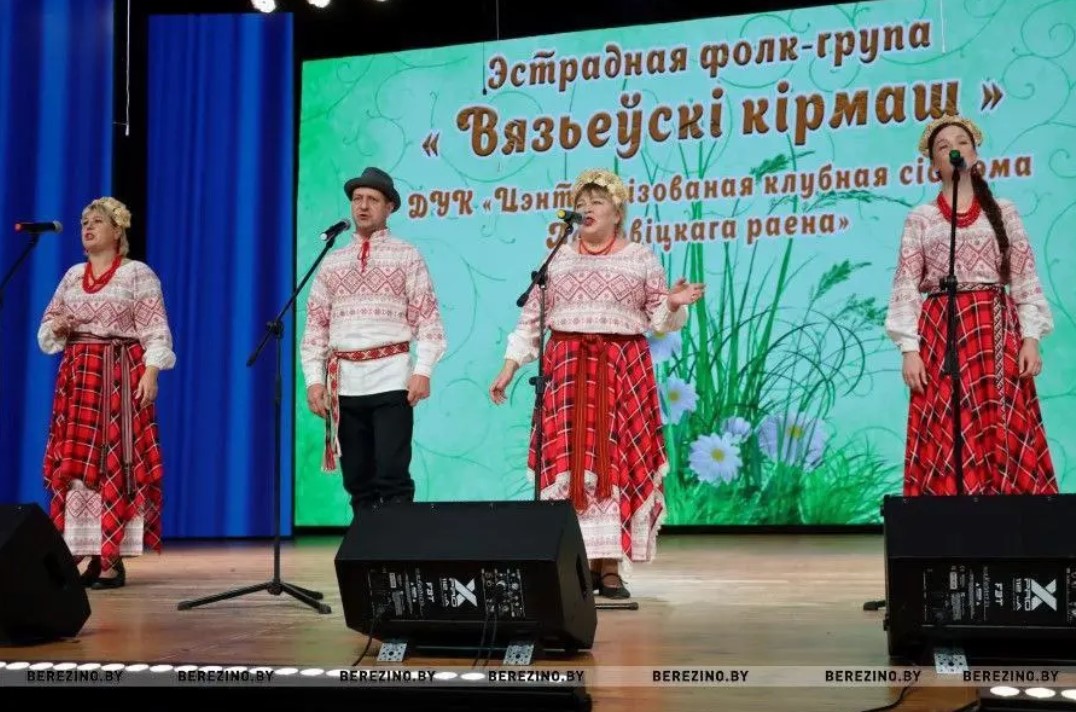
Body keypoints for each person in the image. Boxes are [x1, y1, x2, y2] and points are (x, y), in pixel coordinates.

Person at [489, 168, 704, 599]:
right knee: (570, 468)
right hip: (567, 370)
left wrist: (674, 302)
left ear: (618, 213)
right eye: (581, 203)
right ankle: (576, 565)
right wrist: (510, 365)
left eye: (597, 203)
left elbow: (659, 316)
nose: (587, 209)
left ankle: (609, 568)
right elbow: (532, 318)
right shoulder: (559, 259)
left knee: (617, 462)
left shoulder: (640, 257)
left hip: (621, 369)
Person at [884, 113, 1057, 496]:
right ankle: (947, 531)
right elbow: (906, 287)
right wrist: (909, 349)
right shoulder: (922, 219)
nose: (953, 150)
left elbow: (1025, 277)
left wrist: (1031, 338)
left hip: (993, 330)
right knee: (946, 425)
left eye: (960, 142)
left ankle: (1014, 536)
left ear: (975, 154)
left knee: (1004, 422)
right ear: (933, 166)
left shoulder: (1004, 211)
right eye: (942, 147)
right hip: (941, 330)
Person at [39, 197, 176, 590]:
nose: (87, 227)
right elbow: (47, 328)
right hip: (80, 378)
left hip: (118, 375)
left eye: (96, 221)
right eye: (83, 221)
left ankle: (111, 560)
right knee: (78, 466)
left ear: (118, 230)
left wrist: (151, 372)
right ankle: (83, 553)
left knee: (115, 463)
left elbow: (155, 328)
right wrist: (60, 324)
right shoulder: (71, 276)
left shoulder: (138, 275)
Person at [301, 167, 447, 516]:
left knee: (392, 472)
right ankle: (366, 556)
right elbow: (316, 328)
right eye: (357, 199)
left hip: (391, 379)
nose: (363, 206)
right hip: (345, 384)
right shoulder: (332, 262)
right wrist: (314, 381)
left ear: (389, 208)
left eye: (373, 200)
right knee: (357, 477)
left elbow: (428, 319)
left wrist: (423, 370)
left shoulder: (406, 255)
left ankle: (395, 552)